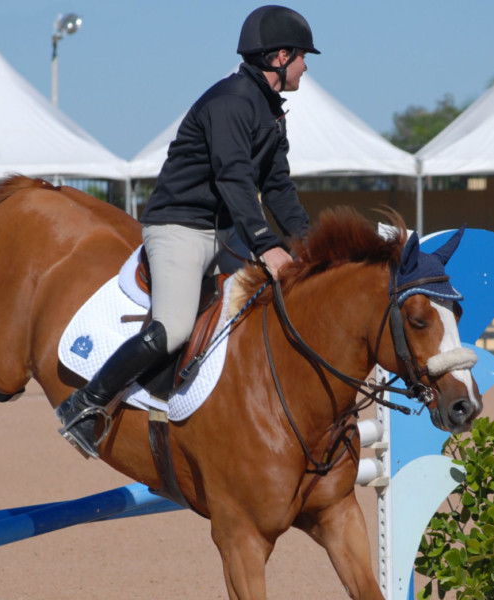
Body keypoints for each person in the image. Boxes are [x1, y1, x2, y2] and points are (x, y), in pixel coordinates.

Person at [55, 5, 319, 459]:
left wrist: (311, 246)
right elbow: (233, 179)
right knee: (174, 328)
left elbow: (278, 189)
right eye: (302, 57)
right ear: (280, 57)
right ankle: (86, 404)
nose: (306, 65)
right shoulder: (232, 102)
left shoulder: (272, 111)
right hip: (178, 228)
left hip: (223, 232)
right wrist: (270, 247)